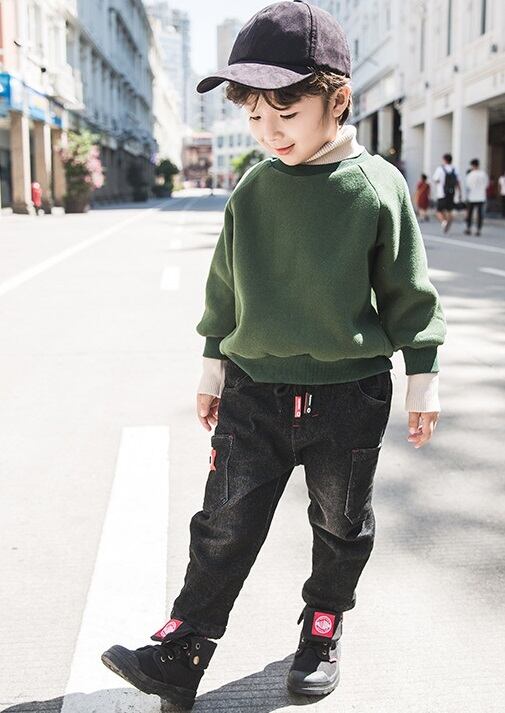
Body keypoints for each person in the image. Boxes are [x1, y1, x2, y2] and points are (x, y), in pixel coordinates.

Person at [101, 1, 447, 708]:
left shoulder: (375, 187)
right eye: (255, 115)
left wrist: (423, 376)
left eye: (285, 113)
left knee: (341, 522)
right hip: (253, 390)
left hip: (349, 393)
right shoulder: (254, 187)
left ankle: (322, 625)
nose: (268, 131)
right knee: (223, 523)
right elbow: (225, 287)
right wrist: (212, 368)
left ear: (337, 100)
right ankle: (184, 648)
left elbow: (407, 290)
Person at [432, 153, 462, 233]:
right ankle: (448, 222)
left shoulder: (440, 169)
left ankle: (444, 222)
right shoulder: (455, 169)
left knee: (438, 211)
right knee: (449, 210)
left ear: (444, 160)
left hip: (442, 193)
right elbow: (458, 182)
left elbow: (435, 180)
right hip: (451, 193)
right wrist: (460, 193)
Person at [464, 158, 489, 236]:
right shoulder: (483, 174)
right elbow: (487, 184)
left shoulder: (470, 174)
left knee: (470, 213)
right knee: (480, 214)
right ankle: (478, 229)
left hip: (471, 196)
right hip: (481, 196)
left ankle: (468, 228)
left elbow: (467, 186)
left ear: (472, 165)